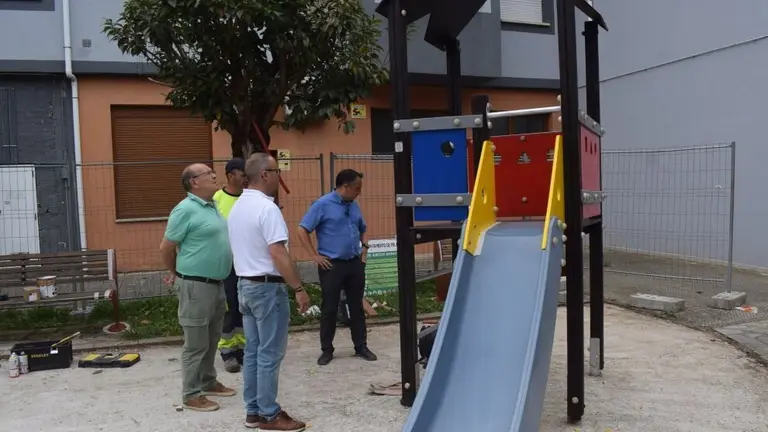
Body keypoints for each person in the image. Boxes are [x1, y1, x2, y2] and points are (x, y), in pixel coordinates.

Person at [227, 152, 311, 431]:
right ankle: (269, 413)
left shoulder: (238, 206)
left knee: (252, 351)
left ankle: (253, 410)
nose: (279, 177)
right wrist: (298, 288)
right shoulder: (267, 208)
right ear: (265, 175)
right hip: (267, 288)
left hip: (245, 285)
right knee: (270, 353)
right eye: (276, 172)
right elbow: (278, 252)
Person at [159, 163, 236, 412]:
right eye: (208, 173)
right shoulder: (185, 210)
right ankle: (191, 394)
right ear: (194, 182)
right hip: (195, 286)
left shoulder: (212, 206)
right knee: (195, 343)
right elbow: (167, 247)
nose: (215, 175)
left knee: (212, 339)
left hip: (216, 284)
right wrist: (175, 273)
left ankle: (208, 381)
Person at [297, 169, 378, 366]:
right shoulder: (323, 204)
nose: (360, 192)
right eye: (357, 188)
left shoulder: (354, 205)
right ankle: (327, 349)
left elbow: (363, 229)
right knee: (329, 307)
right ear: (345, 186)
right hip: (331, 265)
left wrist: (364, 251)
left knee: (357, 306)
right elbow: (302, 229)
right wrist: (314, 256)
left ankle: (361, 345)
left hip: (354, 263)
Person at [213, 157, 248, 373]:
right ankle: (227, 351)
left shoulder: (249, 199)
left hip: (246, 264)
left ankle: (243, 347)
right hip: (225, 265)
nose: (246, 178)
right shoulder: (216, 200)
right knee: (227, 308)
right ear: (230, 175)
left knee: (243, 306)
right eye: (243, 174)